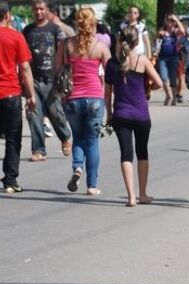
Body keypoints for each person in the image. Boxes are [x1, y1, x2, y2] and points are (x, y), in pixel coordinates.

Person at [104, 25, 162, 207]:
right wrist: (147, 87)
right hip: (141, 115)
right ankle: (143, 194)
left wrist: (109, 114)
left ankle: (130, 197)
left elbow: (107, 93)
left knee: (126, 155)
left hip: (121, 114)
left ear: (121, 41)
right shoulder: (142, 61)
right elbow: (159, 83)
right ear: (137, 43)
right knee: (142, 153)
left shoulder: (112, 64)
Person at [58, 7, 111, 196]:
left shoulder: (66, 45)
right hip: (95, 98)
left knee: (78, 137)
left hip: (72, 98)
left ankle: (77, 168)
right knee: (92, 141)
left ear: (76, 23)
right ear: (93, 23)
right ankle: (91, 185)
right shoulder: (100, 47)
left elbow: (57, 69)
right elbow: (111, 74)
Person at [23, 0, 71, 162]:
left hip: (52, 78)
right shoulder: (27, 31)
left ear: (47, 10)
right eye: (35, 9)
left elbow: (64, 51)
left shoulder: (55, 29)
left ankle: (65, 137)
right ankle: (39, 150)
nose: (38, 12)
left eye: (41, 9)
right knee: (34, 113)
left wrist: (64, 74)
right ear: (32, 10)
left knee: (54, 112)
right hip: (33, 79)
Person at [0, 1, 36, 193]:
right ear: (8, 15)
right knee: (13, 138)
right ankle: (10, 180)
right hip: (10, 93)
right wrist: (31, 95)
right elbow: (24, 67)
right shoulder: (16, 37)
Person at [155, 14, 184, 106]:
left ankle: (174, 97)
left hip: (173, 57)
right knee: (164, 77)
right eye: (168, 20)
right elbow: (156, 39)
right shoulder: (162, 30)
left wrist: (176, 19)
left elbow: (183, 32)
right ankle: (168, 95)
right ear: (166, 21)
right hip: (163, 57)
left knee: (173, 78)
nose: (170, 22)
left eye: (172, 21)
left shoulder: (175, 32)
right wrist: (159, 34)